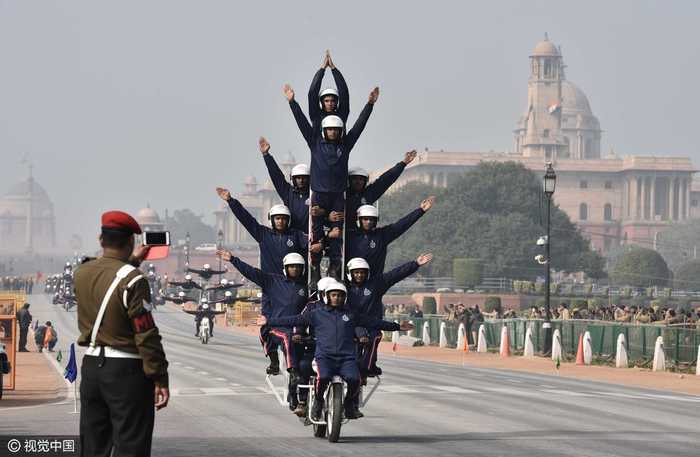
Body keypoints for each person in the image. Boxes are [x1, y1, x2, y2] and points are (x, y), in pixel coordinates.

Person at [74, 211, 169, 457]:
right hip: (127, 373)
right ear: (131, 242)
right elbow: (145, 333)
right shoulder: (135, 280)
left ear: (100, 239)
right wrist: (159, 376)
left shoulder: (81, 273)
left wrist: (131, 262)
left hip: (92, 368)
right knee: (131, 446)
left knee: (93, 447)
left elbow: (107, 276)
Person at [258, 280, 413, 420]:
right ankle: (317, 402)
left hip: (347, 359)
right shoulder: (316, 314)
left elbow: (374, 322)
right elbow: (294, 319)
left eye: (340, 295)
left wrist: (397, 326)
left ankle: (348, 404)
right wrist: (269, 321)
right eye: (333, 295)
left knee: (355, 380)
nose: (337, 298)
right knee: (322, 377)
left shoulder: (351, 315)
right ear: (327, 296)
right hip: (324, 358)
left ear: (344, 297)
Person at [285, 81, 379, 246]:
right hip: (319, 192)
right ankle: (316, 249)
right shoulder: (314, 143)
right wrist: (292, 102)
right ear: (324, 130)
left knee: (337, 228)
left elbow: (359, 126)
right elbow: (301, 122)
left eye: (336, 129)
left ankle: (335, 255)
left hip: (338, 193)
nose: (333, 132)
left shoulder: (345, 145)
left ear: (340, 131)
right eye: (330, 129)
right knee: (315, 216)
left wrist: (369, 105)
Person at [219, 250, 307, 409]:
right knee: (287, 338)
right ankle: (290, 370)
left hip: (299, 330)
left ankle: (298, 395)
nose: (295, 270)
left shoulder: (306, 287)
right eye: (292, 267)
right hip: (276, 328)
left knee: (306, 363)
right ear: (285, 268)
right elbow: (251, 272)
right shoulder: (273, 282)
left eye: (298, 267)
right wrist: (233, 259)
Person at [346, 254, 432, 377]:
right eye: (356, 272)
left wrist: (415, 264)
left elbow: (395, 275)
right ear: (350, 273)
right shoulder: (344, 289)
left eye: (362, 272)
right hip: (353, 326)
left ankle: (367, 368)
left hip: (373, 326)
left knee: (375, 337)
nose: (360, 275)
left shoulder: (375, 285)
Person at [347, 197, 435, 275]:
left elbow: (401, 225)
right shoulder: (348, 236)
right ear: (359, 219)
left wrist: (420, 211)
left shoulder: (381, 235)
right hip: (351, 283)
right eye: (365, 219)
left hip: (374, 283)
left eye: (372, 219)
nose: (369, 222)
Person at [259, 136, 310, 232]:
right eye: (298, 178)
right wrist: (266, 155)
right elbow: (277, 177)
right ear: (293, 179)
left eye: (304, 178)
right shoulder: (288, 193)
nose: (301, 181)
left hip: (310, 237)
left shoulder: (314, 194)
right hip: (292, 236)